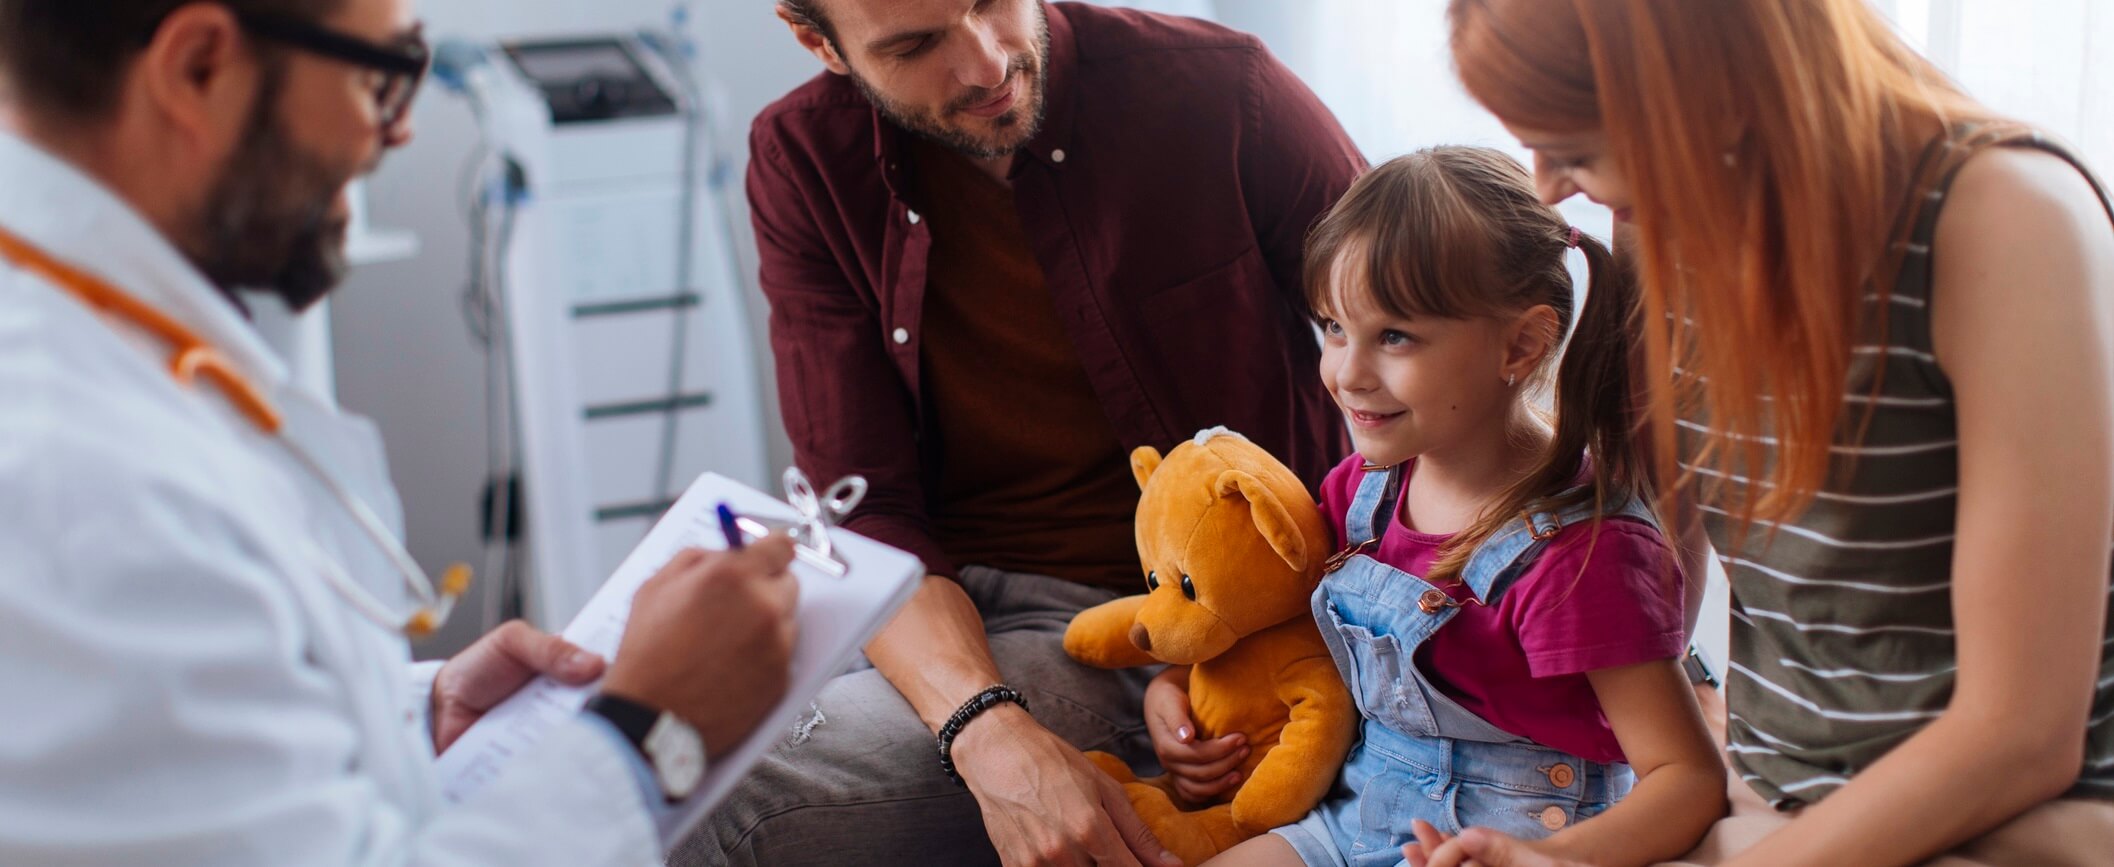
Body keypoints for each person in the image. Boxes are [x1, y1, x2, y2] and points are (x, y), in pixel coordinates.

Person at [0, 1, 800, 863]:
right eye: (378, 77)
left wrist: (409, 712)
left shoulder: (99, 333)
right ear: (198, 69)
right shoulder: (76, 484)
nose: (403, 129)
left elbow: (194, 772)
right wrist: (649, 731)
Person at [678, 1, 1364, 864]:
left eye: (990, 1)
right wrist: (986, 729)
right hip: (943, 616)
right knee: (656, 749)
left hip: (1180, 623)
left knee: (721, 797)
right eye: (918, 45)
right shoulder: (803, 158)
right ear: (819, 43)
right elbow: (868, 509)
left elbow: (1428, 328)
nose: (986, 63)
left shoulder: (1222, 90)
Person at [1430, 0, 2114, 865]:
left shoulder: (2008, 217)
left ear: (1706, 85)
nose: (1549, 187)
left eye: (1576, 149)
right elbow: (1656, 558)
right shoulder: (1672, 212)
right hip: (1771, 805)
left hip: (2010, 821)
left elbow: (2021, 733)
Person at [1180, 149, 1721, 867]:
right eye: (1334, 328)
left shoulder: (1583, 555)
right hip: (1357, 816)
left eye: (1394, 337)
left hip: (1518, 840)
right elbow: (1262, 618)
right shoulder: (1362, 489)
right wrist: (1173, 689)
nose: (1347, 373)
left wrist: (1551, 861)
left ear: (1521, 345)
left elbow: (1686, 777)